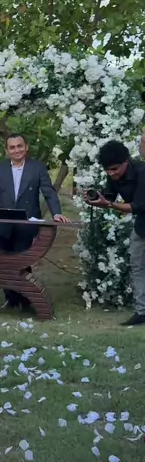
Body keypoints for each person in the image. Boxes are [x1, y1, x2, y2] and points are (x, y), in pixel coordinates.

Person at [0, 133, 69, 310]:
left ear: (26, 147)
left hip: (26, 224)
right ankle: (10, 299)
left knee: (21, 261)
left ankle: (25, 299)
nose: (16, 150)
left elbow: (48, 192)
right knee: (3, 263)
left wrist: (56, 213)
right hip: (2, 224)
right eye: (12, 147)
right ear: (7, 150)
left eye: (19, 146)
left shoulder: (37, 168)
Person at [83, 139, 145, 327]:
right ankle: (142, 312)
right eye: (108, 170)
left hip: (141, 213)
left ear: (126, 161)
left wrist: (109, 204)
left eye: (115, 169)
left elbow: (137, 206)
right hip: (142, 225)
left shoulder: (142, 172)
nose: (112, 173)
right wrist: (95, 199)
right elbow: (109, 198)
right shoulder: (113, 175)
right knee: (137, 266)